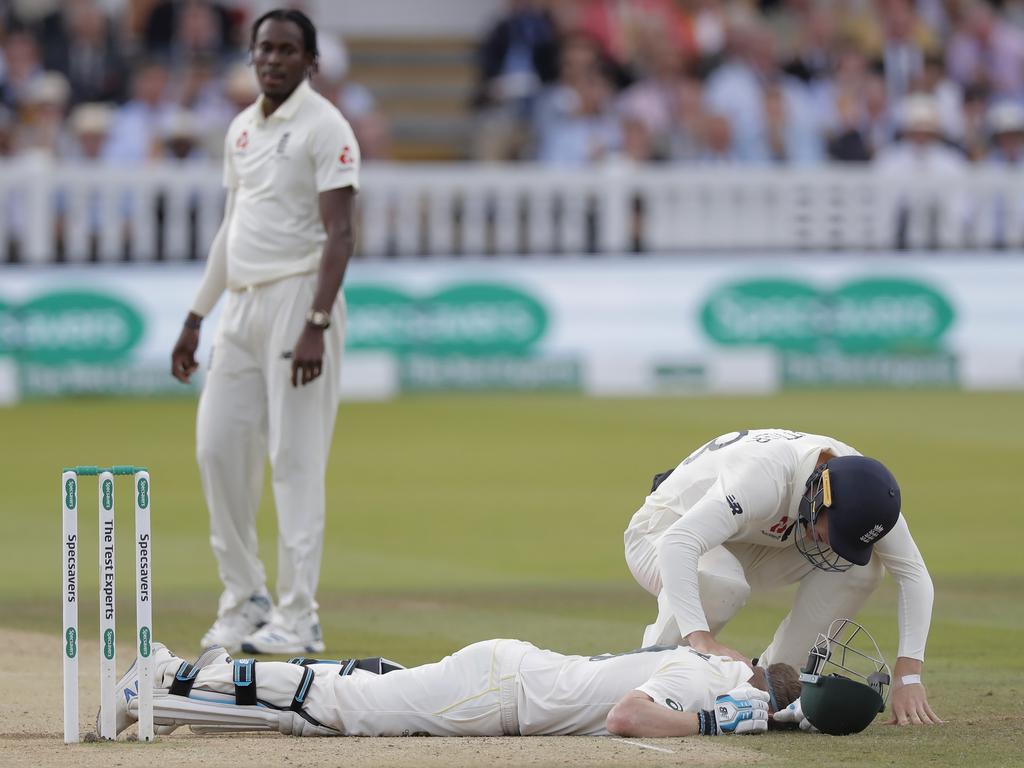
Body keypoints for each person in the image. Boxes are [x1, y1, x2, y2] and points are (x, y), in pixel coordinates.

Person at [170, 8, 360, 655]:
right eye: (263, 50)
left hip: (299, 298)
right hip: (242, 308)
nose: (273, 60)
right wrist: (197, 316)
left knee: (295, 461)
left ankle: (298, 615)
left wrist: (315, 321)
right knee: (217, 449)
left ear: (310, 64)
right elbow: (233, 228)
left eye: (286, 51)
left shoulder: (326, 126)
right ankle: (244, 597)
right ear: (251, 57)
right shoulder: (242, 130)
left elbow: (341, 233)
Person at [623, 428, 942, 727]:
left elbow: (913, 574)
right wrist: (702, 640)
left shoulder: (866, 491)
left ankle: (776, 688)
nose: (832, 545)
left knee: (862, 565)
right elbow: (680, 543)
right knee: (721, 582)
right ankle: (646, 684)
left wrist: (908, 676)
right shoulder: (763, 476)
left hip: (753, 536)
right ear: (822, 497)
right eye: (836, 533)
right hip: (663, 531)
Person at [107, 636, 802, 738]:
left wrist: (774, 711)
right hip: (499, 693)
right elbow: (627, 717)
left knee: (357, 686)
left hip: (505, 676)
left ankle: (187, 691)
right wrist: (717, 723)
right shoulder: (700, 678)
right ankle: (171, 680)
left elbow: (717, 644)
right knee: (345, 711)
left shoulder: (710, 663)